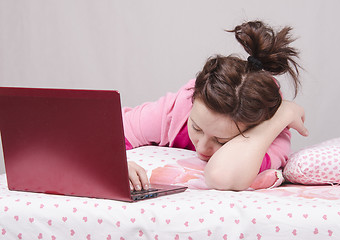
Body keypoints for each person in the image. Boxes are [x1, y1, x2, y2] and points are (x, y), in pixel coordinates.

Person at [123, 20, 309, 192]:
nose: (203, 148)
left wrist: (281, 115)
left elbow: (221, 176)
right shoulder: (180, 107)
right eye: (196, 128)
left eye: (221, 141)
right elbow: (104, 131)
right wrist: (116, 163)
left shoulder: (271, 137)